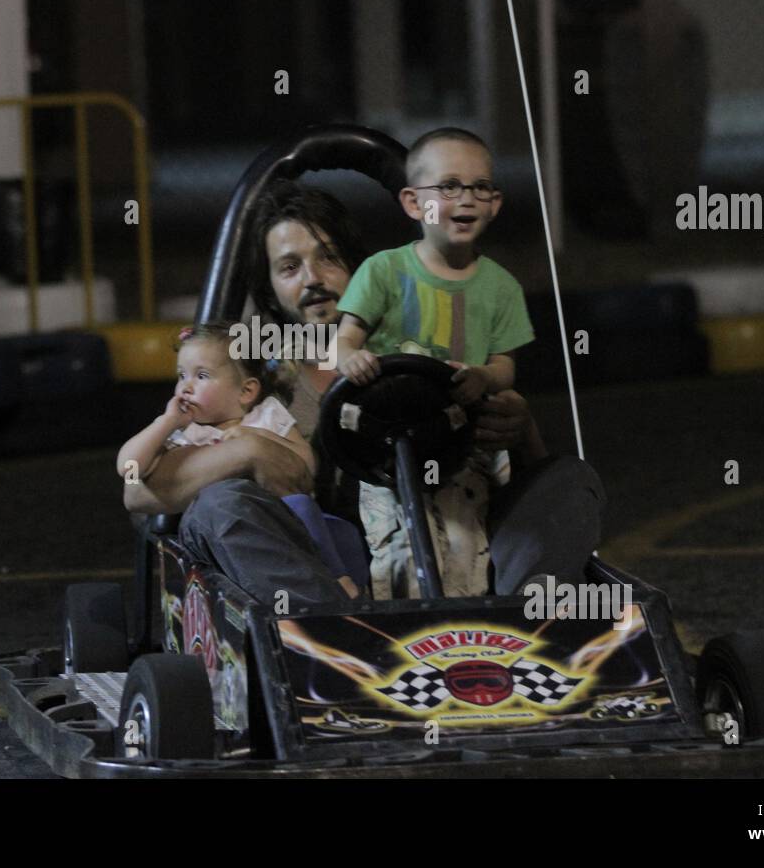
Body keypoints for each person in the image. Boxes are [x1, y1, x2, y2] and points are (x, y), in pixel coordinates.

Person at [126, 179, 603, 608]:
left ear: (362, 270)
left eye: (329, 258)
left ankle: (528, 626)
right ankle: (329, 632)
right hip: (325, 568)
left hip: (452, 549)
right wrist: (249, 450)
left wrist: (521, 429)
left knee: (570, 478)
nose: (313, 279)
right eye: (290, 267)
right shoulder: (250, 381)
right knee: (220, 504)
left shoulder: (419, 356)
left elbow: (520, 478)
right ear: (271, 292)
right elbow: (139, 492)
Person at [331, 126, 530, 597]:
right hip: (386, 450)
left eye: (479, 187)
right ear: (413, 203)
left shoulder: (501, 287)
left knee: (464, 548)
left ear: (494, 203)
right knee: (399, 550)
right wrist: (352, 359)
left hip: (458, 446)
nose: (465, 199)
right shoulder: (384, 271)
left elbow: (506, 367)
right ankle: (398, 647)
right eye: (448, 186)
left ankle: (461, 641)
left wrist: (483, 376)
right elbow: (342, 342)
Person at [118, 323, 365, 597]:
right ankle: (323, 597)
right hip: (219, 530)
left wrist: (254, 436)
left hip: (283, 514)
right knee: (228, 508)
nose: (185, 386)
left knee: (317, 515)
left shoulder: (265, 416)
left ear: (246, 392)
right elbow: (129, 468)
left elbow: (305, 465)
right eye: (181, 375)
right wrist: (166, 422)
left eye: (201, 375)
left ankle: (337, 578)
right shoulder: (185, 431)